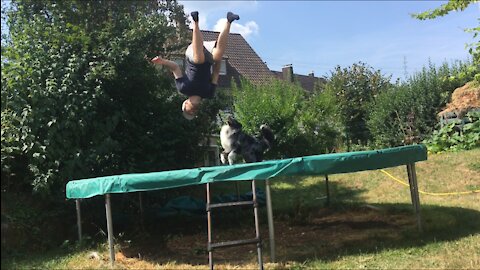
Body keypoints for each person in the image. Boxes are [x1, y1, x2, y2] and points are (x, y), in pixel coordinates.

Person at [151, 11, 240, 120]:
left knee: (199, 59)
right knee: (217, 55)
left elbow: (175, 67)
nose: (193, 112)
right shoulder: (208, 93)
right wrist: (218, 59)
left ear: (185, 104)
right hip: (207, 56)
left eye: (189, 112)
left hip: (192, 53)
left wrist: (162, 61)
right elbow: (216, 73)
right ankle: (229, 20)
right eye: (193, 114)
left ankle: (195, 21)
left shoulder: (183, 88)